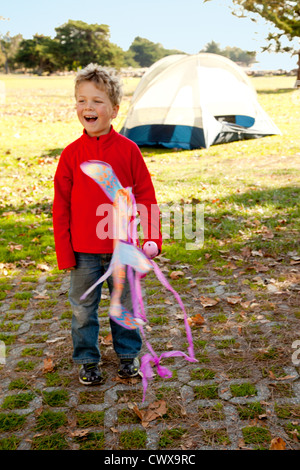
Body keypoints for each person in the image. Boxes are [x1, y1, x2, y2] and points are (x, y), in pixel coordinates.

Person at [53, 63, 162, 385]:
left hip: (122, 248)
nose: (88, 107)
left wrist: (152, 236)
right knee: (83, 310)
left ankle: (128, 355)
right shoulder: (71, 155)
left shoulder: (128, 151)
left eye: (97, 101)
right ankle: (87, 359)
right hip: (83, 249)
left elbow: (146, 195)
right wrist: (64, 250)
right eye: (81, 100)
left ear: (114, 109)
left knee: (124, 305)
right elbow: (61, 205)